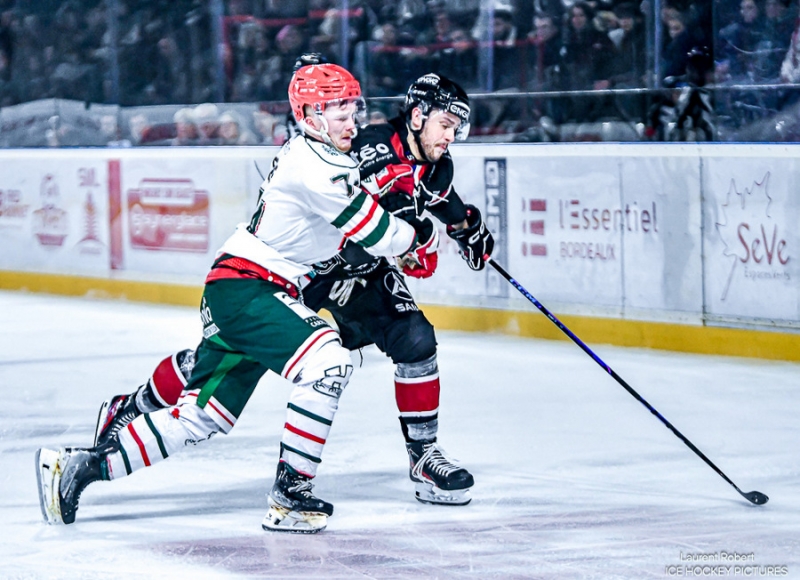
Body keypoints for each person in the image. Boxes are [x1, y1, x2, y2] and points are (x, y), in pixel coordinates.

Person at [35, 63, 438, 534]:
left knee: (200, 417)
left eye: (354, 109)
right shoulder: (317, 166)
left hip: (242, 288)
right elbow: (380, 233)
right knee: (328, 360)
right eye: (338, 111)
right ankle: (290, 494)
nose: (352, 121)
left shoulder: (322, 157)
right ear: (310, 116)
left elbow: (359, 230)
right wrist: (420, 231)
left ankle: (77, 468)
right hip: (251, 288)